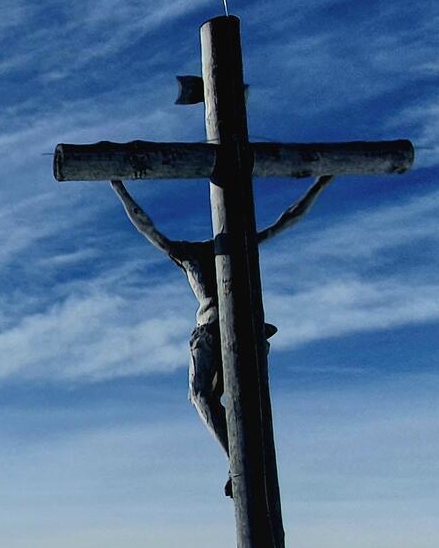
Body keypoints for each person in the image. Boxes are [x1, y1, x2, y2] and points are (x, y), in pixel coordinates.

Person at [108, 177, 332, 494]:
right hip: (210, 331)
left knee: (244, 399)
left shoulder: (239, 246)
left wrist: (323, 181)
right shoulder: (188, 254)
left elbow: (289, 218)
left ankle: (245, 462)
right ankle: (236, 461)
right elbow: (146, 226)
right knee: (201, 395)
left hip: (241, 327)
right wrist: (118, 187)